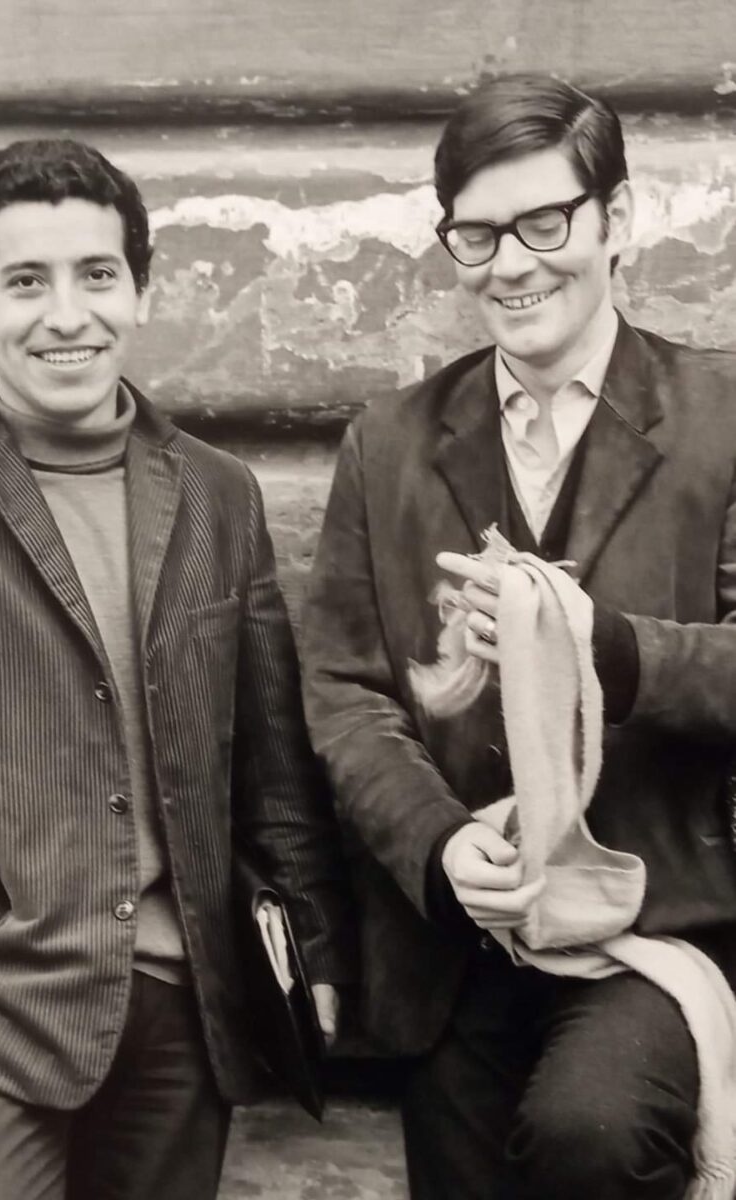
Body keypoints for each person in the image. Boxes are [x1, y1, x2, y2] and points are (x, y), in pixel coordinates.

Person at [0, 138, 354, 1200]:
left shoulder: (218, 496)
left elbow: (269, 760)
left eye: (97, 275)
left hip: (184, 1002)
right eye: (26, 282)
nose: (66, 315)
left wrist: (313, 947)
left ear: (140, 292)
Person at [302, 73, 736, 1200]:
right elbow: (345, 691)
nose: (511, 264)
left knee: (590, 1133)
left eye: (545, 223)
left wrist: (609, 647)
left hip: (656, 931)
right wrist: (441, 845)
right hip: (462, 953)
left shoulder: (721, 421)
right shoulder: (389, 444)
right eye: (477, 235)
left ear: (617, 218)